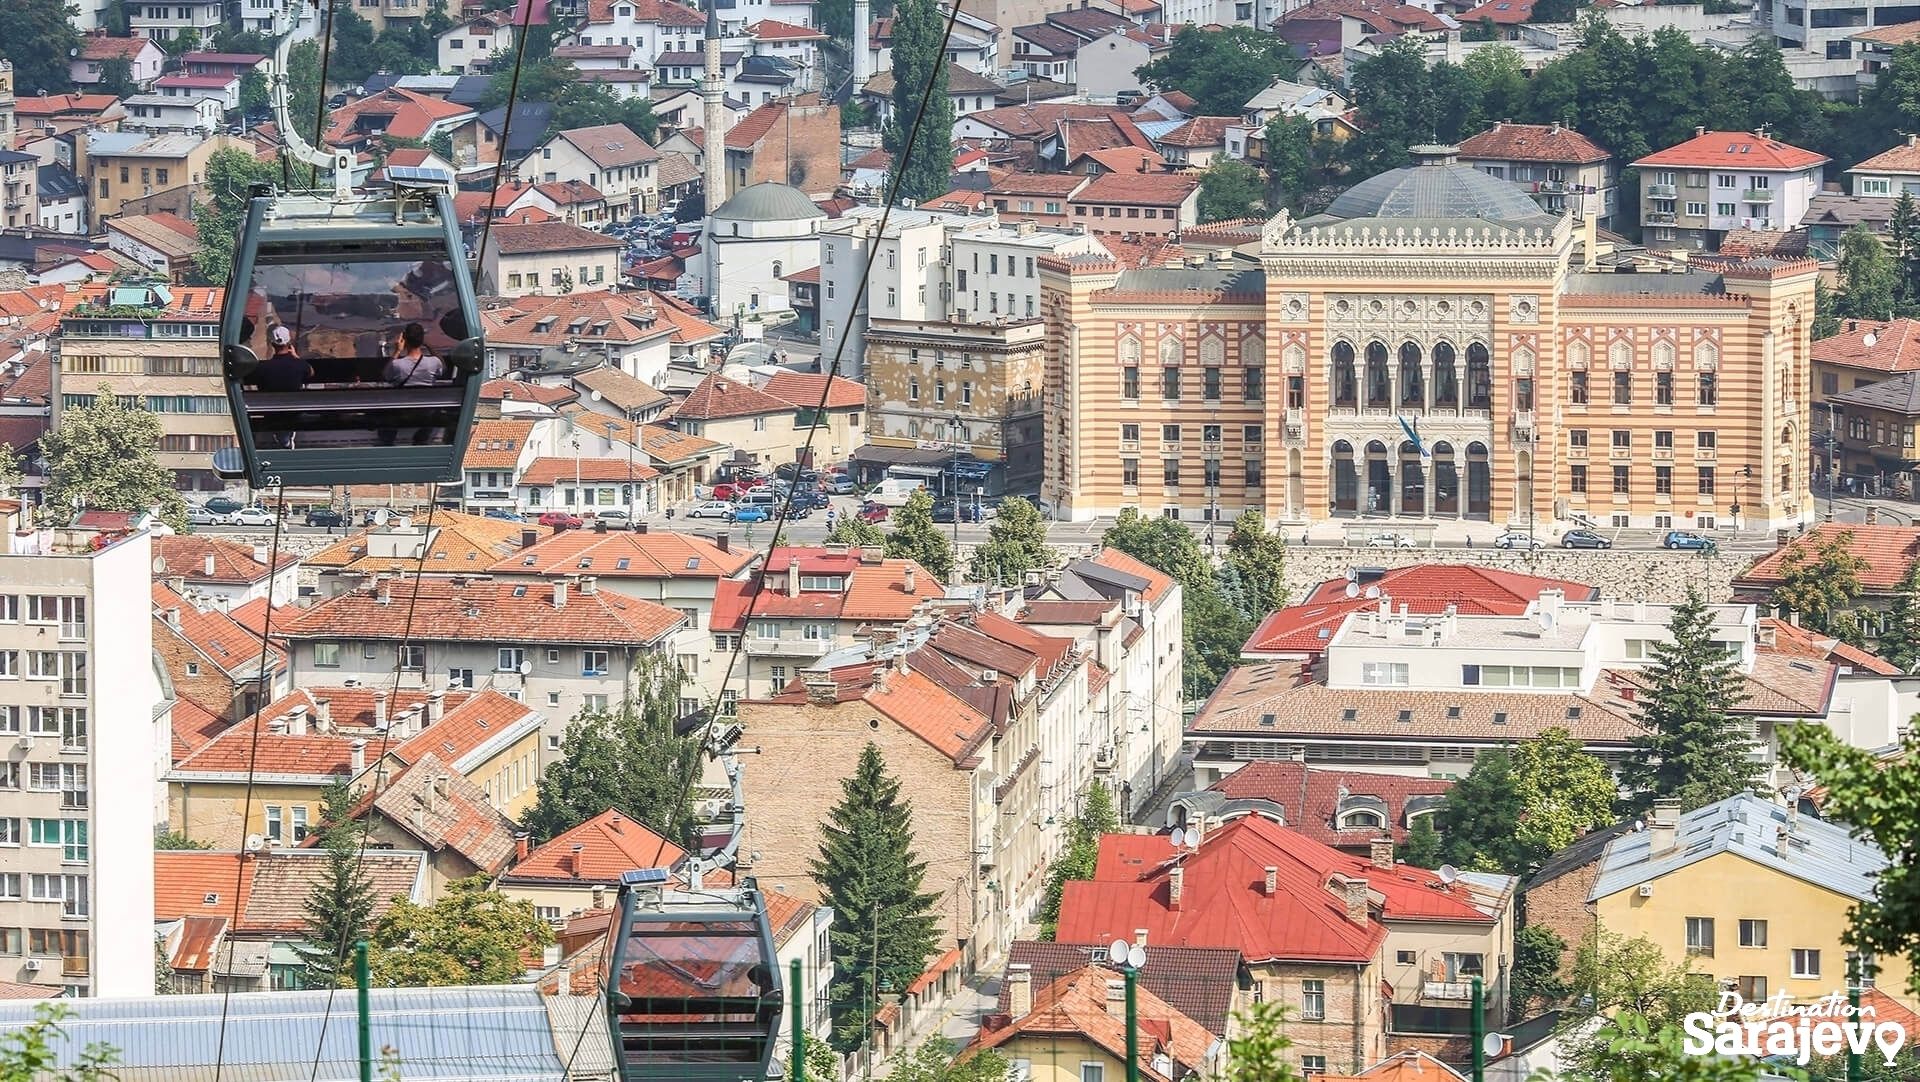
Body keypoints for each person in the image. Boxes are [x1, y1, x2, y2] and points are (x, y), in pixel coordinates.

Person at [382, 323, 449, 445]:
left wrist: (397, 350)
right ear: (422, 339)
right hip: (426, 414)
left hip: (403, 413)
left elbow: (386, 375)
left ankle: (387, 442)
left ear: (404, 340)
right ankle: (421, 438)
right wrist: (429, 345)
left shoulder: (397, 365)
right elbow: (443, 368)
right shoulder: (434, 362)